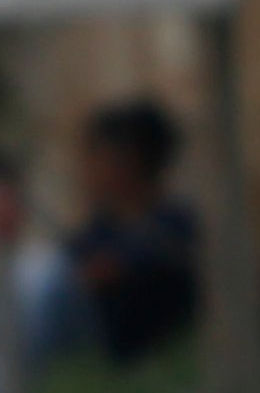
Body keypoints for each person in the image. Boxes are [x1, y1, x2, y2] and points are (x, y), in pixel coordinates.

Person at [54, 100, 202, 368]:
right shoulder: (95, 232)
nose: (89, 172)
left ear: (130, 162)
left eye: (100, 158)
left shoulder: (175, 225)